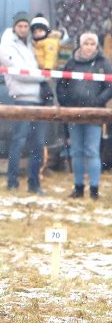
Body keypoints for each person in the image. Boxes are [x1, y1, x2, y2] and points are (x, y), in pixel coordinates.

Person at [56, 32, 112, 199]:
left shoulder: (103, 63)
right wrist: (66, 102)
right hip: (74, 113)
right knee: (76, 151)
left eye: (92, 44)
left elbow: (110, 86)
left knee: (92, 151)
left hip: (94, 114)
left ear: (96, 46)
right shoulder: (71, 63)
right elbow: (61, 85)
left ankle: (94, 190)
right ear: (80, 45)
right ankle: (78, 187)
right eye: (86, 44)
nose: (89, 47)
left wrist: (98, 100)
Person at [0, 11, 48, 193]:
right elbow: (19, 73)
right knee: (18, 142)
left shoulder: (29, 45)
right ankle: (12, 182)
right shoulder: (7, 46)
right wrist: (43, 77)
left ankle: (34, 183)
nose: (24, 29)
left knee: (38, 144)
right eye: (20, 26)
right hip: (22, 99)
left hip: (38, 100)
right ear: (14, 27)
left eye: (26, 26)